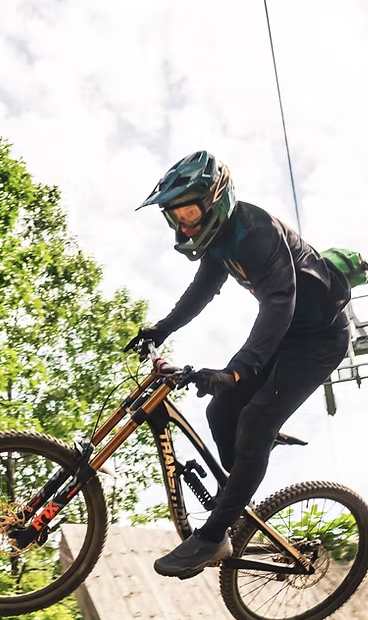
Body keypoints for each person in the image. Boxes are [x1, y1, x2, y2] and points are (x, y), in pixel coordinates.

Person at [126, 151, 353, 579]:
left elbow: (279, 305)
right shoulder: (218, 244)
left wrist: (235, 371)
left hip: (318, 341)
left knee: (253, 418)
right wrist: (159, 330)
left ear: (216, 200)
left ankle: (215, 536)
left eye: (190, 210)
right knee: (220, 410)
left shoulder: (256, 234)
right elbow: (201, 292)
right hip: (286, 337)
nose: (185, 224)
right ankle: (244, 479)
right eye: (175, 217)